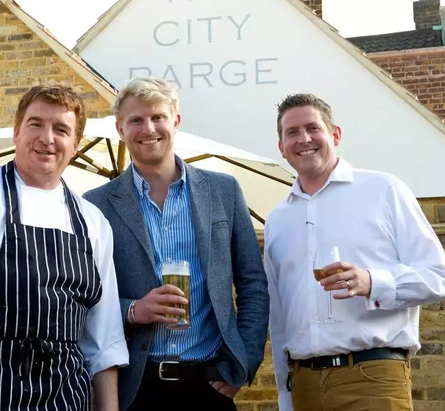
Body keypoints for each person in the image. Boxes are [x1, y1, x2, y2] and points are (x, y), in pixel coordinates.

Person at [83, 77, 269, 411]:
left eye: (158, 117)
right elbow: (88, 295)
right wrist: (133, 310)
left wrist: (243, 362)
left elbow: (252, 282)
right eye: (136, 120)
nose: (148, 128)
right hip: (135, 386)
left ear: (176, 122)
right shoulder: (95, 204)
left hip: (209, 381)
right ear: (120, 129)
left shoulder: (223, 191)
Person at [264, 93, 445, 411]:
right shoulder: (278, 219)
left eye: (313, 128)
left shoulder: (383, 191)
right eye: (292, 132)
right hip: (303, 383)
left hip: (372, 377)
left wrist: (373, 282)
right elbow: (280, 316)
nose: (304, 138)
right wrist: (284, 393)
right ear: (281, 147)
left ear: (335, 134)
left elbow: (438, 276)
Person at [0, 83, 129, 410]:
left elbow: (104, 339)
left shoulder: (93, 221)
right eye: (35, 124)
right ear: (16, 132)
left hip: (66, 396)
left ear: (75, 145)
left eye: (61, 129)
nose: (47, 138)